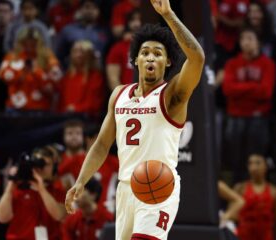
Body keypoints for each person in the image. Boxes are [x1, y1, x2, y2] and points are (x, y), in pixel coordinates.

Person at [65, 0, 205, 239]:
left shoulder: (172, 95)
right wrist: (81, 180)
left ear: (168, 62)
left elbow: (198, 59)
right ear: (136, 61)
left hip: (159, 188)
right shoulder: (119, 94)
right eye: (145, 53)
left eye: (158, 54)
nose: (150, 58)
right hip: (126, 189)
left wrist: (169, 15)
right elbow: (101, 145)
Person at [221, 27, 276, 181]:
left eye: (250, 38)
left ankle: (257, 191)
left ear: (258, 43)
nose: (246, 42)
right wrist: (253, 86)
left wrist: (240, 88)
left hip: (258, 118)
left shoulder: (267, 64)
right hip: (235, 117)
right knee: (236, 159)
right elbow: (227, 89)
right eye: (243, 38)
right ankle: (238, 191)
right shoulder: (232, 63)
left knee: (257, 157)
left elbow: (266, 92)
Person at [0, 146, 67, 240]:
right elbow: (2, 218)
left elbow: (59, 215)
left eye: (45, 164)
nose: (41, 168)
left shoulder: (58, 191)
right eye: (37, 163)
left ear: (53, 168)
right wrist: (10, 186)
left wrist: (41, 189)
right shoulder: (19, 189)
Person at [0, 27, 61, 112]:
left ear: (39, 43)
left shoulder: (48, 57)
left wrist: (37, 72)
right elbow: (4, 76)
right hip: (16, 105)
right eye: (25, 44)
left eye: (33, 44)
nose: (29, 48)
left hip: (39, 106)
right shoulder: (12, 57)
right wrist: (22, 71)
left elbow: (56, 82)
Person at [234, 154, 276, 240]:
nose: (254, 167)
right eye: (250, 163)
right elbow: (231, 217)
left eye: (258, 163)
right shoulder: (240, 188)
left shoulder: (275, 192)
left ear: (266, 166)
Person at [56, 40, 105, 116]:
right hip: (65, 118)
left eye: (82, 52)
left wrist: (76, 108)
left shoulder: (95, 77)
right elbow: (61, 103)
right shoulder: (67, 77)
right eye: (75, 51)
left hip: (86, 118)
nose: (78, 55)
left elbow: (95, 103)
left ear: (88, 55)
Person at [106, 10, 142, 90]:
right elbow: (113, 79)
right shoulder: (118, 48)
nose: (137, 24)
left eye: (139, 20)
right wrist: (123, 97)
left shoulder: (153, 47)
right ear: (127, 23)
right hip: (127, 96)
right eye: (133, 20)